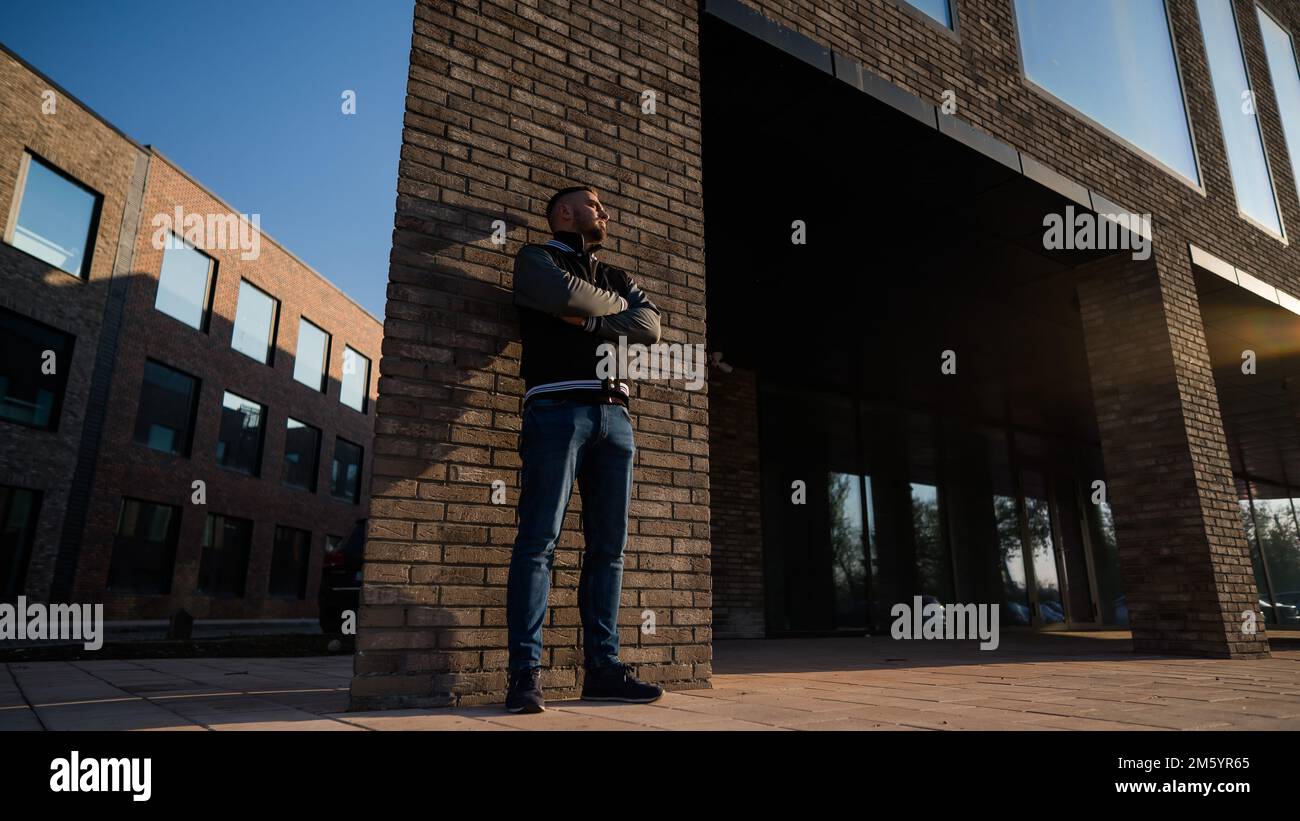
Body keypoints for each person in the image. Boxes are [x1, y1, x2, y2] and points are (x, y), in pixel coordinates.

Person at [504, 184, 664, 713]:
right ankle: (525, 676)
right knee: (538, 543)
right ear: (566, 212)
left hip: (616, 418)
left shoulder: (618, 276)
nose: (606, 213)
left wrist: (591, 318)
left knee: (608, 550)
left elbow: (649, 326)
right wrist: (598, 312)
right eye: (596, 206)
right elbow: (563, 296)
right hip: (555, 409)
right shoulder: (535, 258)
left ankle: (603, 670)